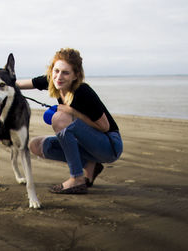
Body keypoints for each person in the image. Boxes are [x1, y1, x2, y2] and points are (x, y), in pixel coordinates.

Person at [16, 48, 123, 194]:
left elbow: (105, 127)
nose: (59, 76)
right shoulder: (53, 81)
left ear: (75, 75)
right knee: (37, 145)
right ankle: (90, 166)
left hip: (109, 146)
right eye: (56, 70)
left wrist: (73, 113)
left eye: (66, 72)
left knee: (60, 119)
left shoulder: (83, 92)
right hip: (88, 145)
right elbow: (19, 84)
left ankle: (77, 179)